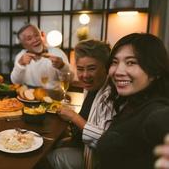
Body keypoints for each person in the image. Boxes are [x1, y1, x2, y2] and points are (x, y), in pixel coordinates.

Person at [96, 33, 169, 169]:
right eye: (115, 62)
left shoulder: (157, 113)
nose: (118, 71)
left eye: (131, 62)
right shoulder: (131, 103)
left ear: (155, 71)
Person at [48, 39, 114, 169]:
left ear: (106, 67)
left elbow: (104, 141)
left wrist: (74, 117)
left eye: (92, 68)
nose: (85, 75)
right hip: (80, 143)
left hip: (97, 159)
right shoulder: (91, 87)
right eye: (80, 69)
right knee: (52, 143)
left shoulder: (109, 95)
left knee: (48, 157)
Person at [10, 24, 72, 89]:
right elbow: (15, 82)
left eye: (36, 35)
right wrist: (20, 64)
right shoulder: (20, 56)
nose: (35, 40)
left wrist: (62, 66)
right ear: (23, 45)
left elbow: (69, 80)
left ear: (41, 35)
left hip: (54, 96)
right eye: (29, 38)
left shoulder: (57, 53)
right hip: (28, 96)